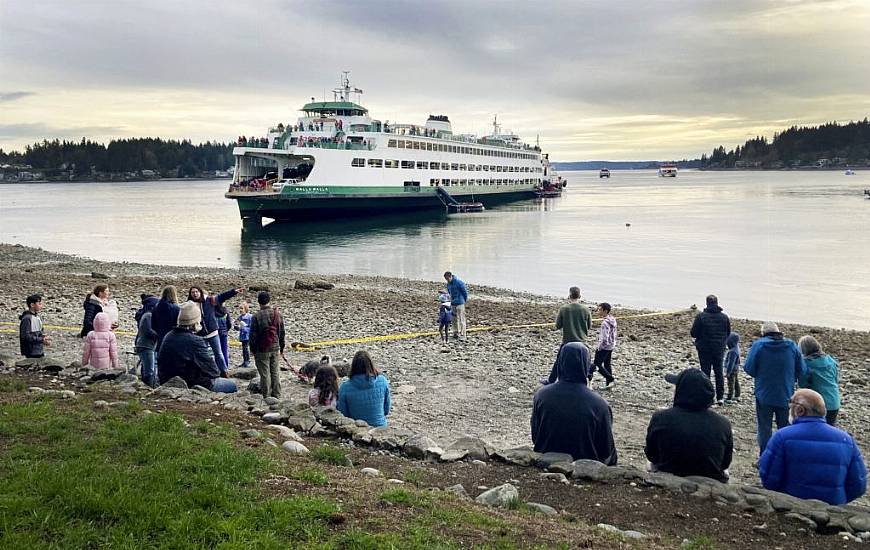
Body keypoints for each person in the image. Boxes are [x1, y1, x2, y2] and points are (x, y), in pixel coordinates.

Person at [759, 389, 866, 505]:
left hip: (791, 507)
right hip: (833, 510)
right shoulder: (846, 440)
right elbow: (858, 485)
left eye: (791, 404)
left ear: (800, 410)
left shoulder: (781, 437)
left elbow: (769, 479)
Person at [531, 342, 617, 464]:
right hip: (586, 463)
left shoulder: (541, 395)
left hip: (547, 457)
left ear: (560, 363)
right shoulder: (599, 404)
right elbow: (605, 449)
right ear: (586, 365)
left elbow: (535, 436)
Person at [645, 368, 733, 482]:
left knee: (649, 464)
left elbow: (652, 456)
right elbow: (725, 463)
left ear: (680, 391)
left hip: (669, 477)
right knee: (725, 473)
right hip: (709, 480)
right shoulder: (723, 424)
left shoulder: (661, 418)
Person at [743, 321, 807, 455]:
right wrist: (791, 377)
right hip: (785, 393)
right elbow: (802, 369)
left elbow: (749, 368)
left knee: (764, 428)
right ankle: (785, 455)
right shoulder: (791, 346)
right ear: (778, 331)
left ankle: (765, 456)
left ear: (763, 333)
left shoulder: (759, 345)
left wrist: (761, 373)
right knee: (785, 427)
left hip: (764, 393)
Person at [157, 301, 237, 393]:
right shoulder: (195, 341)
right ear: (195, 322)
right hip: (191, 383)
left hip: (165, 379)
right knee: (232, 385)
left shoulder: (169, 335)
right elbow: (213, 371)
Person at [187, 285, 243, 375]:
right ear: (190, 294)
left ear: (200, 292)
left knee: (219, 354)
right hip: (199, 334)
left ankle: (224, 372)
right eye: (193, 292)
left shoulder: (210, 300)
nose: (195, 293)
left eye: (196, 291)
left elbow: (222, 296)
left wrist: (233, 292)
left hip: (213, 332)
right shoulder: (189, 305)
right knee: (203, 355)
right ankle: (206, 373)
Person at [690, 295, 731, 405]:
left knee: (705, 372)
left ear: (707, 303)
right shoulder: (724, 317)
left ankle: (707, 396)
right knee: (718, 372)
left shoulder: (701, 317)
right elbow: (728, 333)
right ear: (717, 303)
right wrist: (722, 342)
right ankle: (720, 397)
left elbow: (693, 333)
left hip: (704, 348)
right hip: (719, 348)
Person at [337, 350, 391, 427]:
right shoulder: (383, 381)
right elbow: (386, 409)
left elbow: (343, 413)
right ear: (371, 364)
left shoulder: (345, 387)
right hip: (380, 428)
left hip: (356, 429)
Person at [249, 291, 285, 400]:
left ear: (258, 302)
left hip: (261, 349)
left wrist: (253, 350)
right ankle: (277, 396)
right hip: (275, 347)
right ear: (269, 300)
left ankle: (267, 396)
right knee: (275, 372)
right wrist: (281, 348)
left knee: (265, 374)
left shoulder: (256, 316)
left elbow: (253, 336)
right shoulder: (277, 314)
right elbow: (281, 332)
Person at [797, 335, 841, 426]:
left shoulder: (806, 364)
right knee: (829, 429)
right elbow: (836, 379)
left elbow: (803, 384)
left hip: (817, 403)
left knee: (813, 430)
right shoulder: (830, 360)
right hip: (834, 401)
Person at [590, 302, 617, 389]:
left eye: (600, 310)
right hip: (611, 345)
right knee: (607, 364)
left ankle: (610, 378)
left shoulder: (605, 323)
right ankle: (609, 383)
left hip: (604, 346)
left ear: (605, 311)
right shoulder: (612, 319)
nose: (598, 311)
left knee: (597, 364)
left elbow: (605, 337)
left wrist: (600, 347)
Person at [134, 294, 160, 387]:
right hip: (146, 345)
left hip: (147, 345)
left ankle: (147, 384)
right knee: (150, 369)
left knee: (147, 367)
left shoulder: (147, 315)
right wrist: (159, 335)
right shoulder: (148, 316)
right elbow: (148, 331)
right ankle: (149, 386)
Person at [19, 294, 49, 358]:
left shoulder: (37, 317)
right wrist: (41, 340)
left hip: (39, 350)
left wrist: (44, 338)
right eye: (39, 303)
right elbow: (26, 336)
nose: (41, 306)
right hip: (31, 352)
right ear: (32, 305)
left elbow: (40, 331)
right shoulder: (27, 319)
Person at [152, 285, 180, 351]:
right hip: (172, 339)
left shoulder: (156, 307)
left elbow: (153, 325)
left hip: (160, 338)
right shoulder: (175, 308)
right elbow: (178, 324)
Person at [444, 271, 468, 341]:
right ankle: (455, 333)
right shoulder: (448, 284)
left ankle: (463, 334)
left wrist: (464, 300)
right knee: (454, 319)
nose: (447, 280)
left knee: (461, 319)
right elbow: (449, 292)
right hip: (453, 303)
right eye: (446, 279)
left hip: (460, 303)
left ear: (451, 276)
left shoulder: (459, 282)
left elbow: (465, 292)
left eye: (448, 279)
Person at [723, 332, 741, 404]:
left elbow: (731, 363)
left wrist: (728, 372)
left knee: (731, 383)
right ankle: (737, 395)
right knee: (736, 382)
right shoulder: (737, 348)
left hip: (732, 370)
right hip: (736, 369)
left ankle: (729, 397)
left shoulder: (732, 351)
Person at [214, 303, 232, 371]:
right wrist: (226, 330)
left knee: (217, 351)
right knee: (224, 351)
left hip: (215, 334)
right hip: (224, 334)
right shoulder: (226, 311)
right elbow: (229, 324)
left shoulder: (213, 311)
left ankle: (218, 368)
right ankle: (225, 367)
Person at [235, 301, 253, 368]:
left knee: (246, 348)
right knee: (243, 348)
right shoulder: (240, 317)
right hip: (242, 335)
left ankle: (247, 361)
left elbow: (251, 328)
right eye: (240, 308)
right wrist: (236, 326)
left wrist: (244, 327)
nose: (240, 310)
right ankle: (244, 360)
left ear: (246, 309)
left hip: (247, 335)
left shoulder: (250, 317)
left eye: (242, 308)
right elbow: (236, 326)